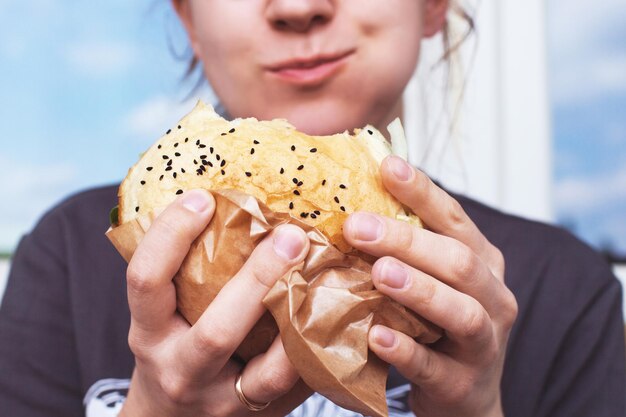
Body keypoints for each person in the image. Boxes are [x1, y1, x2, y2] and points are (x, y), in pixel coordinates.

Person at [0, 1, 624, 416]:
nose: (299, 7)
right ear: (190, 21)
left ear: (432, 5)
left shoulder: (564, 292)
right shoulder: (69, 256)